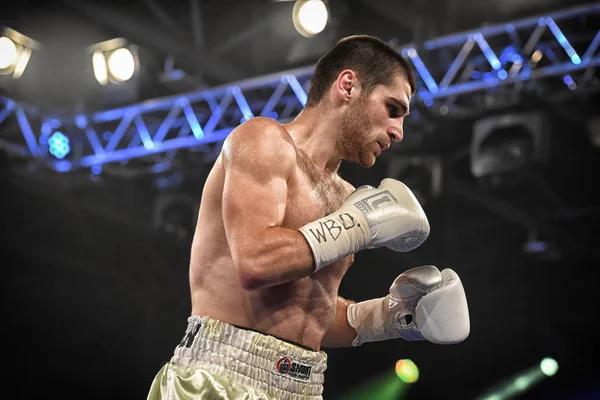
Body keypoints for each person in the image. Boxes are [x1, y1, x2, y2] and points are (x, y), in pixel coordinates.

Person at [147, 34, 470, 400]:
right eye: (392, 109)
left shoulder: (348, 198)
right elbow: (255, 262)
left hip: (302, 387)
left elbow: (307, 314)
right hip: (219, 379)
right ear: (348, 85)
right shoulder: (263, 140)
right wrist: (358, 225)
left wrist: (389, 316)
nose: (398, 132)